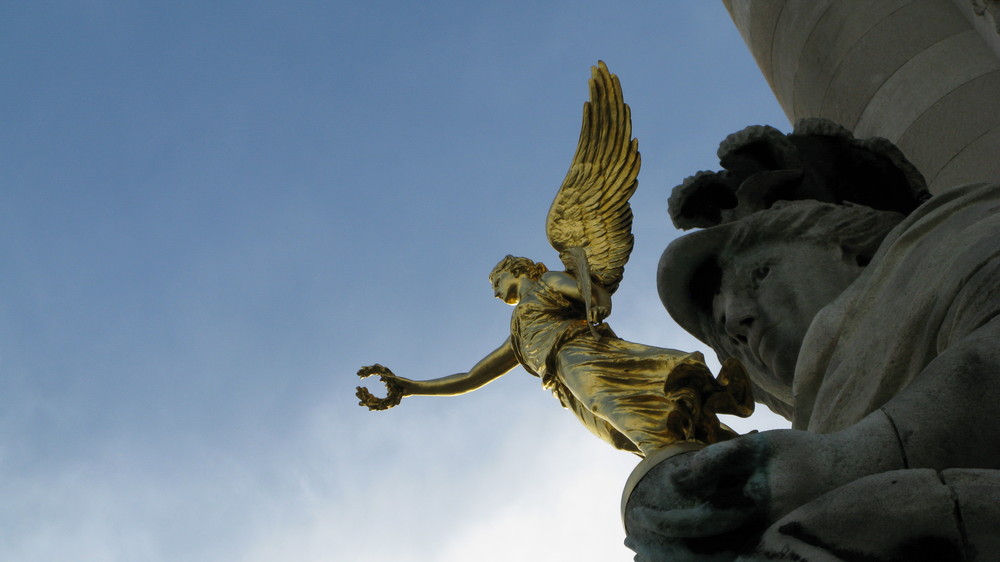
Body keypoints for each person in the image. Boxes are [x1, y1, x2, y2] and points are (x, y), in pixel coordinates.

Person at [624, 119, 1000, 560]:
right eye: (726, 326)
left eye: (760, 274)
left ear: (849, 247)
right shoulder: (809, 430)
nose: (738, 320)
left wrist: (853, 457)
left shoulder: (953, 240)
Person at [361, 254, 753, 457]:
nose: (495, 292)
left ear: (513, 270)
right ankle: (698, 445)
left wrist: (595, 301)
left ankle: (680, 449)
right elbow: (471, 376)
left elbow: (597, 299)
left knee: (608, 402)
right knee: (617, 436)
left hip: (578, 352)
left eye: (495, 282)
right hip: (560, 382)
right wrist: (411, 387)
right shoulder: (517, 332)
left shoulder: (545, 284)